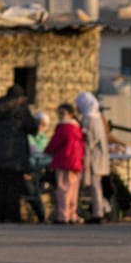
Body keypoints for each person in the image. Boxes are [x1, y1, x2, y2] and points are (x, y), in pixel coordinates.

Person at [0, 86, 41, 224]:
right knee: (14, 186)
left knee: (1, 186)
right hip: (16, 154)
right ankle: (12, 216)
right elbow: (31, 128)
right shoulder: (22, 108)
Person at [43, 102, 85, 223]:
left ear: (70, 114)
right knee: (73, 190)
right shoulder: (77, 127)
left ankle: (63, 215)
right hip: (75, 162)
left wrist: (47, 151)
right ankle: (72, 214)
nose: (61, 116)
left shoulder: (64, 127)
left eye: (63, 113)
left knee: (63, 189)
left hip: (64, 161)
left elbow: (55, 143)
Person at [76, 89, 112, 222]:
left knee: (95, 185)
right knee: (94, 185)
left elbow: (90, 138)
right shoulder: (95, 116)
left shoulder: (90, 118)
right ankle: (100, 210)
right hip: (96, 156)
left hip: (93, 157)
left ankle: (98, 213)